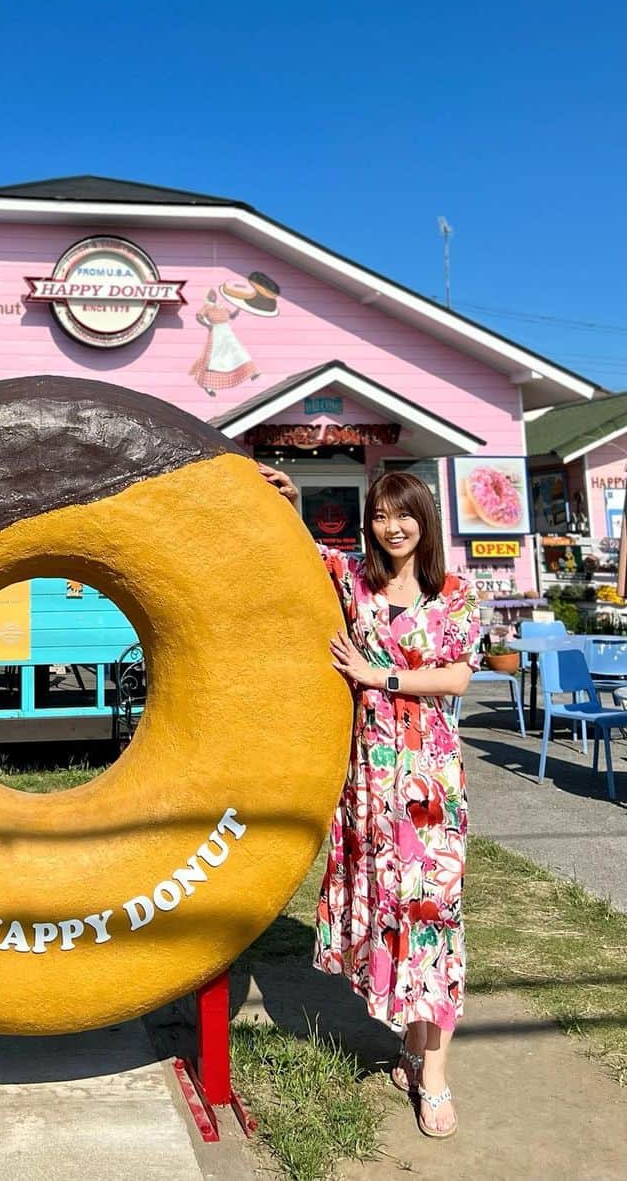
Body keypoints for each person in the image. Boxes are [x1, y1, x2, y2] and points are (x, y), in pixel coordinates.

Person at [259, 464, 480, 1140]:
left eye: (404, 512)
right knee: (391, 914)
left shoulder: (456, 591)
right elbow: (305, 558)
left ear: (424, 519)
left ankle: (434, 1078)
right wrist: (294, 499)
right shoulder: (356, 580)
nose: (393, 525)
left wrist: (377, 672)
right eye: (382, 513)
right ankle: (410, 1047)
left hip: (430, 782)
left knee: (432, 918)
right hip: (368, 781)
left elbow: (459, 675)